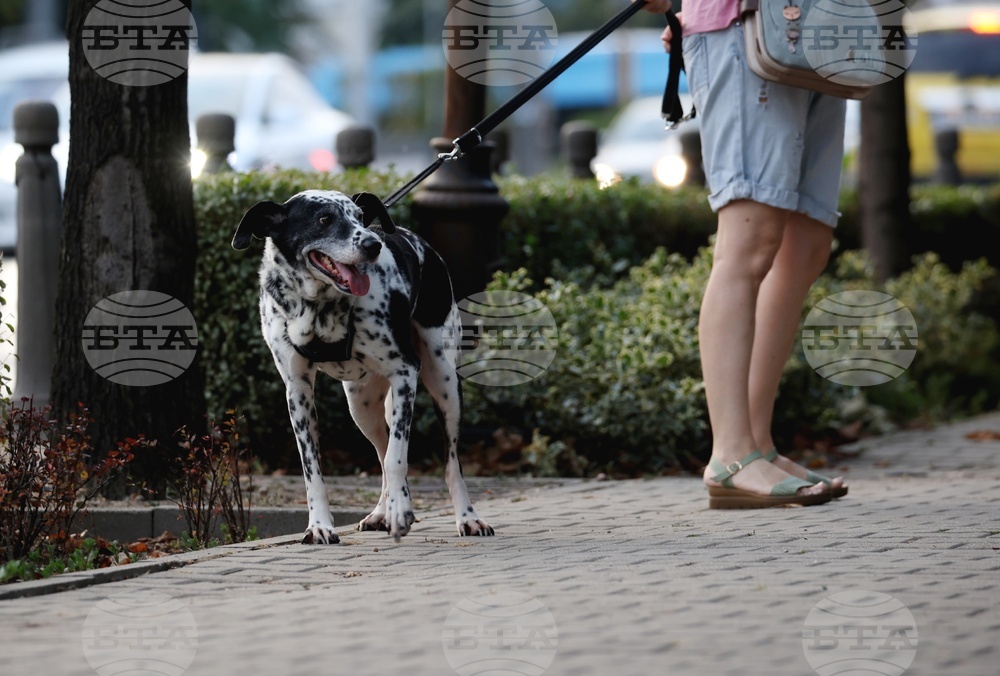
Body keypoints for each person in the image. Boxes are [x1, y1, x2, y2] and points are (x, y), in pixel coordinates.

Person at [636, 0, 847, 507]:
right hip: (741, 26)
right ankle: (730, 456)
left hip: (819, 26)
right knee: (748, 239)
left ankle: (756, 445)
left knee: (806, 243)